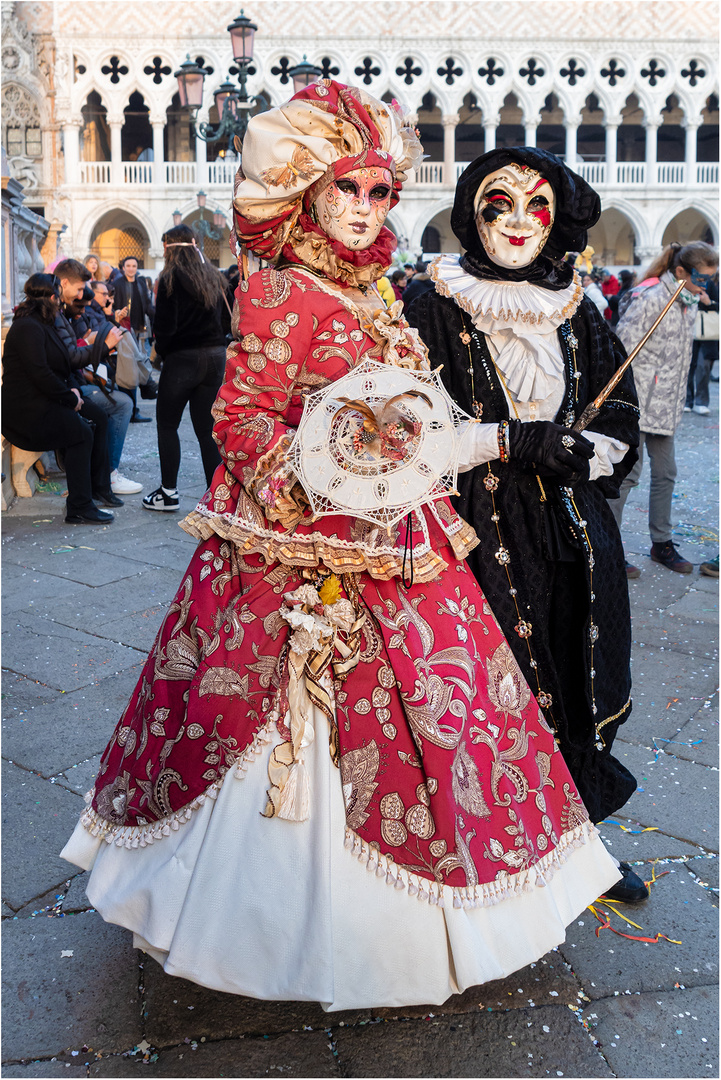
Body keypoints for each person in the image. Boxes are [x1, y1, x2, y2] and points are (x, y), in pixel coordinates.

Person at [61, 82, 620, 1010]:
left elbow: (411, 417)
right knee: (288, 723)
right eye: (345, 191)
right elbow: (239, 424)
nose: (363, 211)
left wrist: (465, 444)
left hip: (399, 535)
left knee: (446, 717)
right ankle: (267, 927)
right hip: (301, 550)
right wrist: (320, 484)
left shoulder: (375, 291)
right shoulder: (280, 287)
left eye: (377, 194)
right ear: (308, 193)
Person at [406, 147, 646, 904]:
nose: (516, 221)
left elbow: (619, 411)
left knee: (578, 668)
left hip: (573, 525)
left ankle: (578, 842)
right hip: (476, 527)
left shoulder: (578, 305)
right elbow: (397, 431)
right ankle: (500, 847)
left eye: (535, 205)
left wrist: (587, 449)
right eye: (496, 204)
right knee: (502, 680)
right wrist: (507, 440)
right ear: (470, 214)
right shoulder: (431, 303)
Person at [608, 241, 718, 575]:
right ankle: (610, 548)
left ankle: (662, 543)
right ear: (681, 271)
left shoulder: (689, 302)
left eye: (712, 279)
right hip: (639, 403)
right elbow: (622, 349)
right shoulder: (653, 297)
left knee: (666, 473)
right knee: (627, 476)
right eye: (702, 277)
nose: (707, 285)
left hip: (667, 407)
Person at [1, 274, 116, 524]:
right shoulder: (27, 327)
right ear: (52, 298)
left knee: (98, 416)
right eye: (58, 300)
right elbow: (40, 373)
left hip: (44, 399)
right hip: (25, 410)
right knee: (81, 433)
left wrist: (73, 391)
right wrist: (68, 398)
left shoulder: (44, 323)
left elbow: (61, 364)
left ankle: (98, 489)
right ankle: (79, 506)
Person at [141, 225, 227, 511]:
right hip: (215, 358)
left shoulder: (169, 279)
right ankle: (214, 496)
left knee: (167, 424)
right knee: (206, 430)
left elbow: (165, 328)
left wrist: (161, 354)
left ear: (170, 248)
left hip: (182, 361)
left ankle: (168, 493)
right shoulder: (214, 276)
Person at [70, 282, 143, 497]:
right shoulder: (70, 317)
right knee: (121, 404)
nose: (107, 297)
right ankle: (108, 474)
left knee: (120, 399)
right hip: (70, 386)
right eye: (105, 294)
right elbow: (71, 356)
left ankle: (105, 474)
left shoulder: (77, 316)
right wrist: (92, 342)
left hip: (74, 382)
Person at [112, 256, 155, 422]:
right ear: (123, 267)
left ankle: (132, 409)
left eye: (134, 265)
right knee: (127, 369)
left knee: (136, 366)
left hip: (137, 329)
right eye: (128, 265)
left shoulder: (141, 282)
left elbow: (147, 305)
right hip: (122, 331)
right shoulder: (117, 284)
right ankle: (130, 409)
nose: (131, 268)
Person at [685, 272, 719, 415]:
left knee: (703, 367)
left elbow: (717, 305)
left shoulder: (710, 284)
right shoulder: (686, 283)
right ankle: (687, 401)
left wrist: (708, 302)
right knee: (687, 367)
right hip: (687, 330)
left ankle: (701, 402)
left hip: (707, 333)